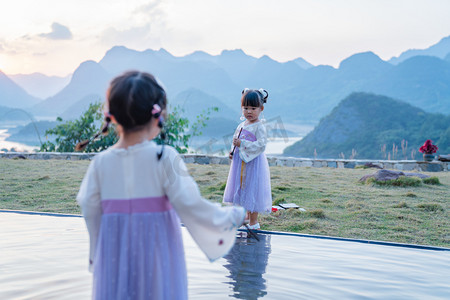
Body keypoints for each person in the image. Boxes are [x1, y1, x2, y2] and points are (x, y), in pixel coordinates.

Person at [76, 71, 245, 300]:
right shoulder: (164, 157)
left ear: (112, 117)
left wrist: (98, 250)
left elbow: (89, 206)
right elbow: (190, 203)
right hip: (157, 255)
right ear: (159, 114)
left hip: (114, 257)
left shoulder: (100, 163)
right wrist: (230, 217)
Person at [223, 88, 272, 230]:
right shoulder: (242, 125)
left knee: (252, 188)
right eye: (245, 108)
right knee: (241, 187)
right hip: (240, 162)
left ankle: (253, 222)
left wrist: (243, 144)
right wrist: (233, 151)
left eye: (253, 108)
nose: (249, 112)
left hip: (253, 162)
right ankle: (243, 216)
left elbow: (261, 144)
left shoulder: (259, 126)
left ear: (261, 108)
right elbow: (236, 140)